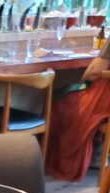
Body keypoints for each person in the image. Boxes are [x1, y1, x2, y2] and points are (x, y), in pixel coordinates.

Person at [45, 38, 110, 181]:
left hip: (105, 97)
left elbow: (95, 70)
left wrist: (82, 80)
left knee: (62, 103)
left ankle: (62, 163)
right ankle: (98, 153)